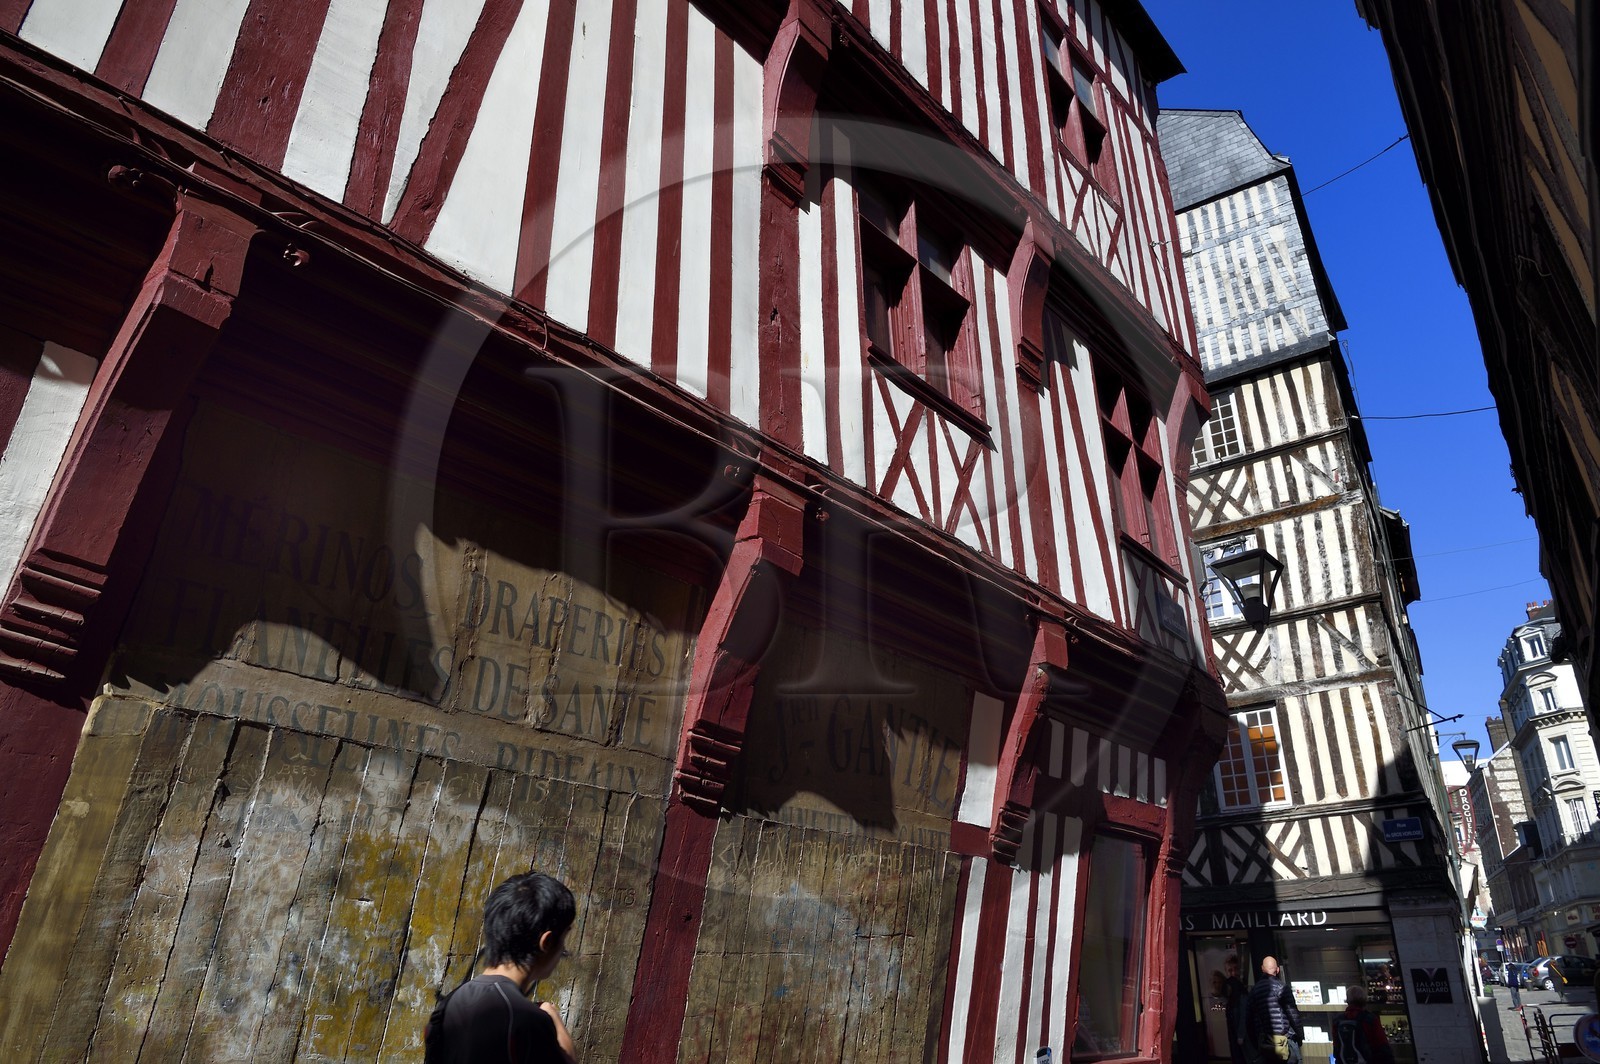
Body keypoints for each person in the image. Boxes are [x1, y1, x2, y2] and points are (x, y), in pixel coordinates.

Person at [425, 872, 579, 1064]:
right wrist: (554, 1020)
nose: (564, 950)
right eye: (563, 938)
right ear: (546, 942)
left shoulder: (446, 1007)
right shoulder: (526, 1018)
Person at [1245, 955, 1303, 1063]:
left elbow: (1248, 1021)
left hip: (1266, 1044)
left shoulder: (1253, 992)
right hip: (1286, 1042)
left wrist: (1256, 1042)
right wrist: (1300, 1036)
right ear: (1277, 970)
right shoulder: (1283, 987)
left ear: (1262, 969)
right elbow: (1294, 1016)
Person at [1330, 984, 1394, 1064]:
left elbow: (1337, 1048)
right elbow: (1382, 1045)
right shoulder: (1369, 1019)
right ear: (1363, 999)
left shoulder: (1338, 1021)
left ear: (1348, 1000)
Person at [1222, 954, 1250, 1064]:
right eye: (1230, 970)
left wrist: (1241, 1035)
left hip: (1241, 1036)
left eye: (1235, 969)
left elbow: (1244, 1013)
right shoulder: (1233, 989)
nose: (1233, 973)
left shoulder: (1239, 989)